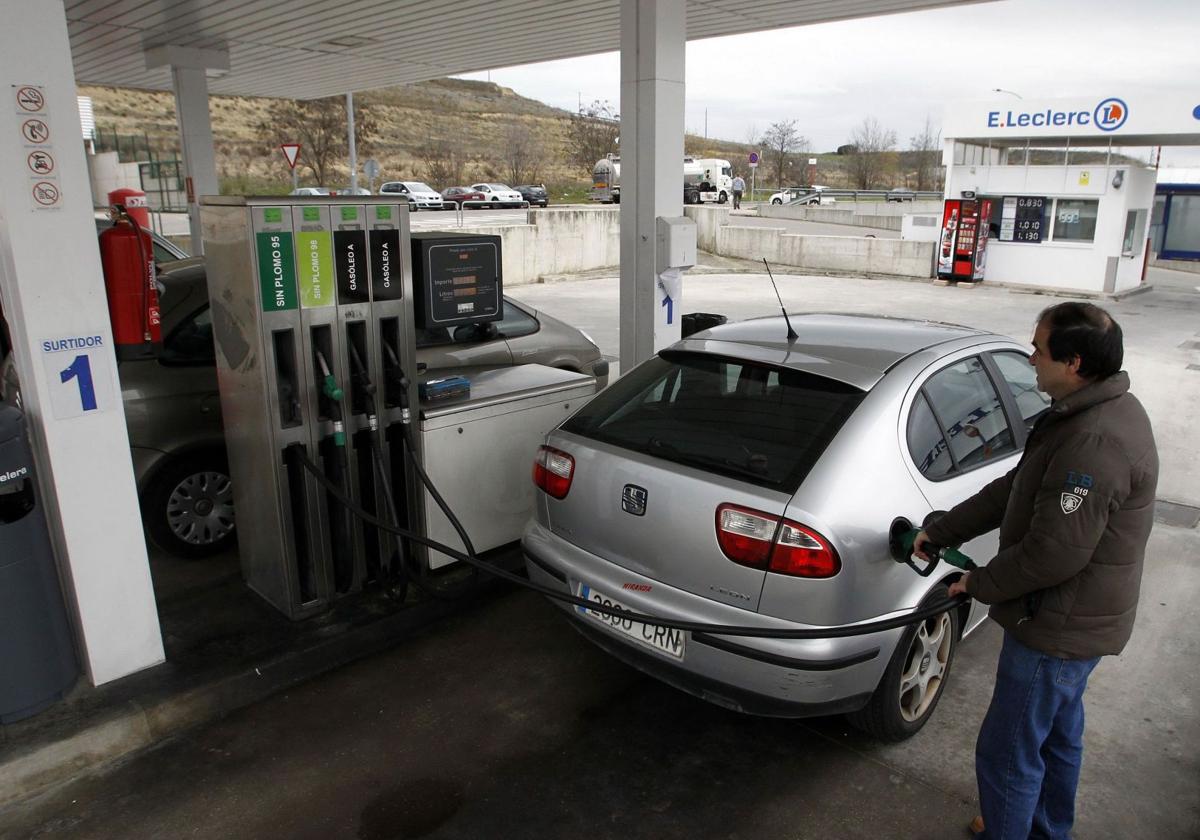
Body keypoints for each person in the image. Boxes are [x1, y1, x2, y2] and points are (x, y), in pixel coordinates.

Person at [914, 302, 1157, 840]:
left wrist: (979, 582)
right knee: (1056, 736)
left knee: (1008, 752)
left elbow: (1055, 553)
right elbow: (1015, 489)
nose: (1030, 357)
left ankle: (1012, 829)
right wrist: (943, 531)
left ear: (1072, 363)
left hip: (1057, 628)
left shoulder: (1093, 442)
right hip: (1077, 622)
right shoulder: (1091, 412)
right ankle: (1044, 829)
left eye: (1039, 349)